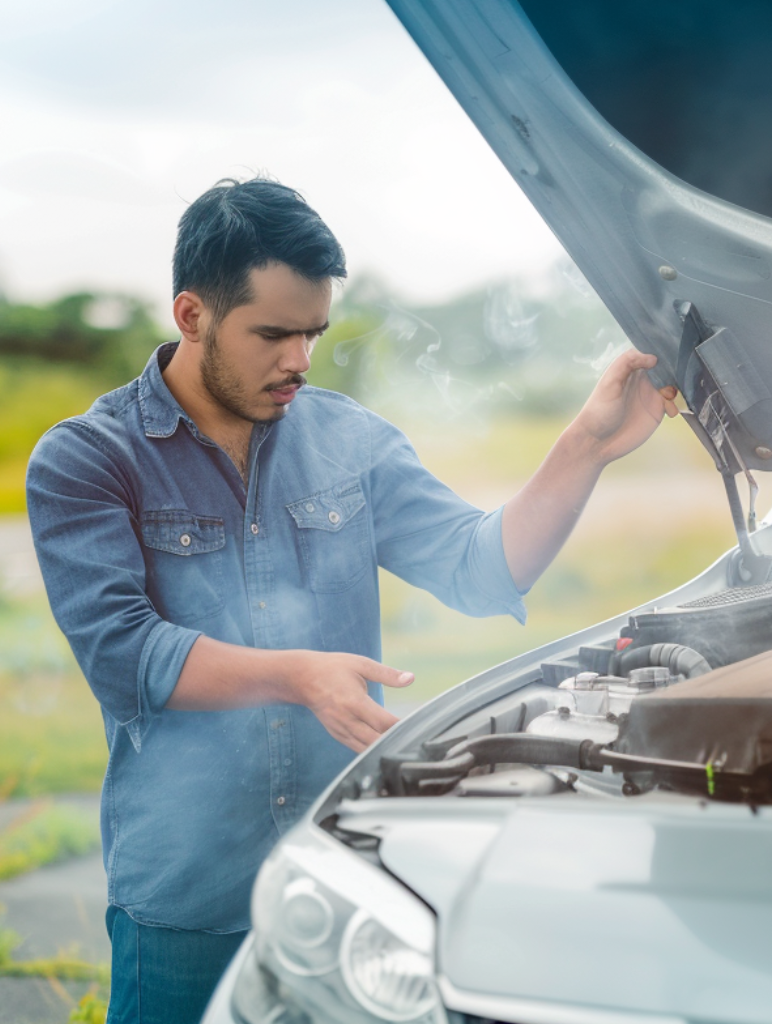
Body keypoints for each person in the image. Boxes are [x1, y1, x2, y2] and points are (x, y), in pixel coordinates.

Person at [25, 177, 678, 1023]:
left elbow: (482, 570)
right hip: (187, 903)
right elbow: (125, 654)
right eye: (272, 334)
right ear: (191, 316)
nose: (299, 359)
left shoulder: (351, 439)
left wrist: (585, 448)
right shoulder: (87, 459)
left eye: (313, 332)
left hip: (343, 876)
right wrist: (297, 674)